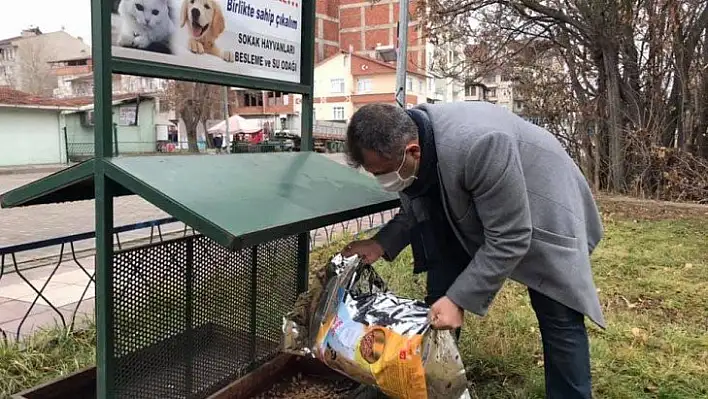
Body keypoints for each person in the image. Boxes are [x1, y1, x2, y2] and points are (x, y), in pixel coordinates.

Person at [342, 102, 605, 399]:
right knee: (437, 306)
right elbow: (419, 207)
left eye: (384, 173)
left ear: (413, 151)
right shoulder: (406, 138)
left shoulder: (480, 143)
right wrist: (381, 243)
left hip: (545, 205)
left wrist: (459, 299)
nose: (383, 181)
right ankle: (424, 382)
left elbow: (510, 236)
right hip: (469, 208)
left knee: (558, 313)